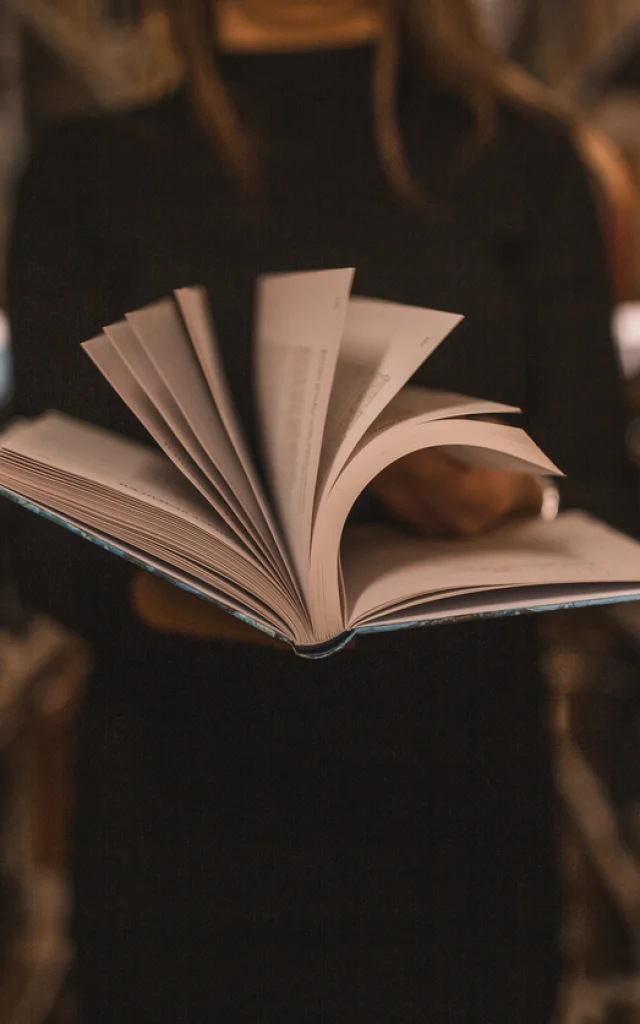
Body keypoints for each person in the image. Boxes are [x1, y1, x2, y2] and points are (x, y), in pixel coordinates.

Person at [6, 0, 638, 1020]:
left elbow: (601, 486)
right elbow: (37, 513)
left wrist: (518, 494)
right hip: (181, 830)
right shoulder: (86, 170)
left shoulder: (522, 160)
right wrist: (185, 595)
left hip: (456, 829)